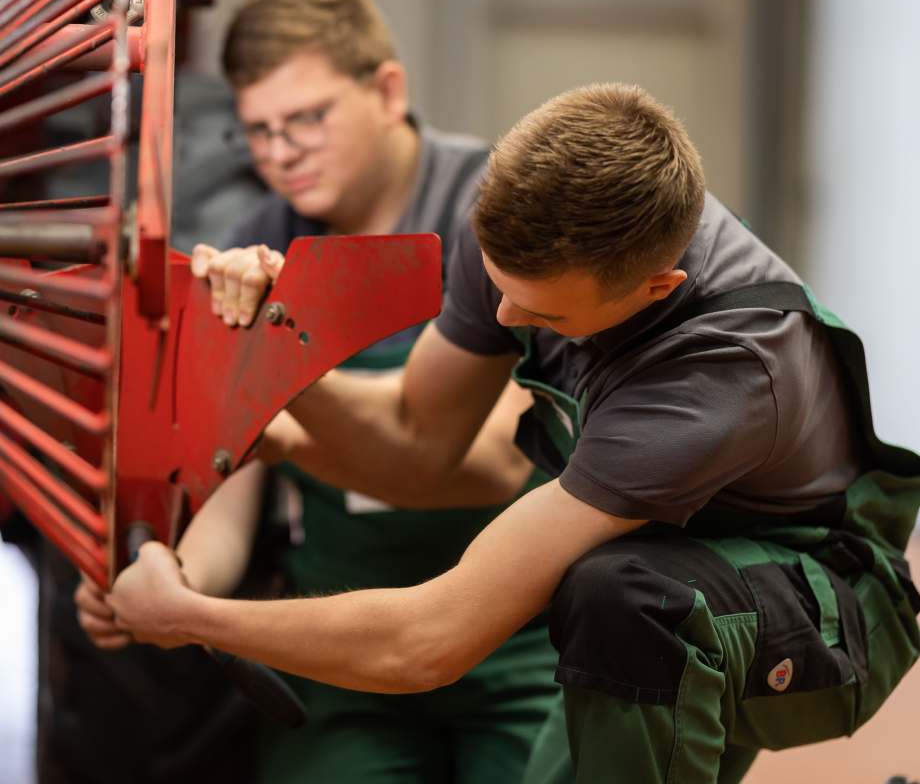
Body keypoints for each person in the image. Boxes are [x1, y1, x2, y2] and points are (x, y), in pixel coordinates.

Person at [81, 82, 920, 784]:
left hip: (818, 610)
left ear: (656, 289)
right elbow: (417, 442)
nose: (509, 319)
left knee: (623, 593)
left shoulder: (713, 381)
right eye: (496, 289)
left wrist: (193, 615)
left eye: (544, 314)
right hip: (669, 593)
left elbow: (428, 642)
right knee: (623, 594)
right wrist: (280, 368)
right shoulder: (522, 238)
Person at [79, 0, 562, 784]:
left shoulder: (495, 221)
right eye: (258, 130)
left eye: (305, 118)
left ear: (386, 89)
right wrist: (176, 587)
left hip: (521, 634)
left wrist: (288, 366)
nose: (281, 153)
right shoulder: (252, 247)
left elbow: (486, 463)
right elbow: (234, 478)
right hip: (336, 643)